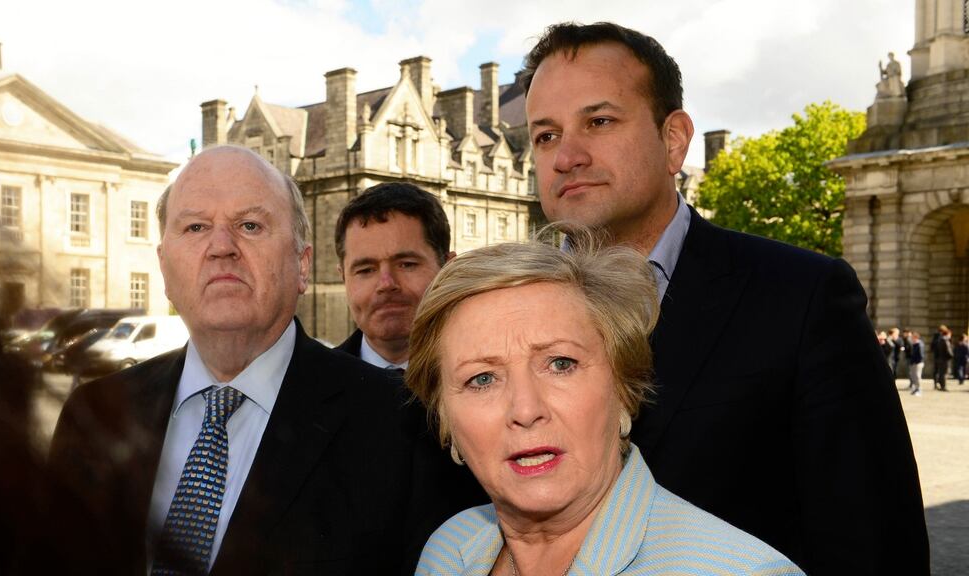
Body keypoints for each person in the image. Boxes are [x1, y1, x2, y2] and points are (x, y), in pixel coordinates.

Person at [521, 21, 927, 573]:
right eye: (545, 135)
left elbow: (874, 541)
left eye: (598, 121)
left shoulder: (801, 297)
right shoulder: (504, 313)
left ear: (674, 139)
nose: (566, 156)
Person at [49, 146, 459, 575]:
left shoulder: (405, 425)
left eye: (250, 225)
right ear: (164, 268)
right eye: (195, 227)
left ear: (302, 265)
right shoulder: (92, 416)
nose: (221, 247)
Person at [408, 238, 803, 575]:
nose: (525, 409)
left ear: (623, 390)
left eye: (561, 364)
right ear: (446, 421)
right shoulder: (448, 553)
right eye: (482, 379)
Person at [334, 182, 455, 369]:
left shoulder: (494, 371)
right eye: (366, 270)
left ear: (448, 269)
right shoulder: (303, 392)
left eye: (407, 264)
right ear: (344, 278)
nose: (386, 283)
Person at [932, 325, 953, 390]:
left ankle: (938, 384)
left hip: (938, 356)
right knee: (942, 372)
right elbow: (948, 350)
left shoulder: (938, 337)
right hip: (941, 357)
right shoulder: (943, 339)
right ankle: (941, 385)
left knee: (939, 372)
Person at [909, 332, 925, 396]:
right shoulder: (914, 344)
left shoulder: (919, 344)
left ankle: (919, 389)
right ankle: (915, 389)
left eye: (912, 337)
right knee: (914, 376)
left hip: (918, 363)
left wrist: (917, 361)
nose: (911, 338)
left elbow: (921, 355)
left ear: (915, 337)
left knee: (918, 376)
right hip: (914, 363)